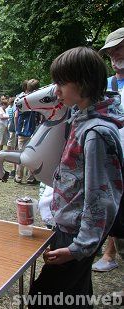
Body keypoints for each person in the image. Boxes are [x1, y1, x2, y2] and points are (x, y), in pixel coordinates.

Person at [28, 47, 123, 308]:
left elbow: (101, 198)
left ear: (82, 83)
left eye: (61, 83)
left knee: (44, 296)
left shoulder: (96, 133)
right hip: (70, 227)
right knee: (75, 295)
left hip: (77, 234)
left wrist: (78, 248)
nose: (56, 90)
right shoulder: (81, 117)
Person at [92, 27, 124, 273]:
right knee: (114, 209)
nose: (115, 55)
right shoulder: (109, 83)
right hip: (113, 156)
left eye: (120, 49)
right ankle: (110, 252)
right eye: (111, 52)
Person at [15, 79, 40, 184]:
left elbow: (16, 115)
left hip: (22, 130)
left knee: (21, 154)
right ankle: (30, 177)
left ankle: (18, 177)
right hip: (34, 130)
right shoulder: (39, 99)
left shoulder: (20, 99)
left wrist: (17, 129)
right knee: (33, 154)